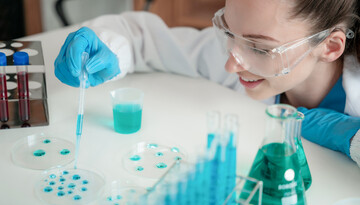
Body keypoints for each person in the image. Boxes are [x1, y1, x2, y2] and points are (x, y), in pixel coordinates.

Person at [54, 0, 360, 166]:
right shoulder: (236, 57)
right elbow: (143, 39)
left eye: (260, 48)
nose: (231, 64)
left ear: (330, 47)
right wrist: (104, 46)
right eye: (229, 32)